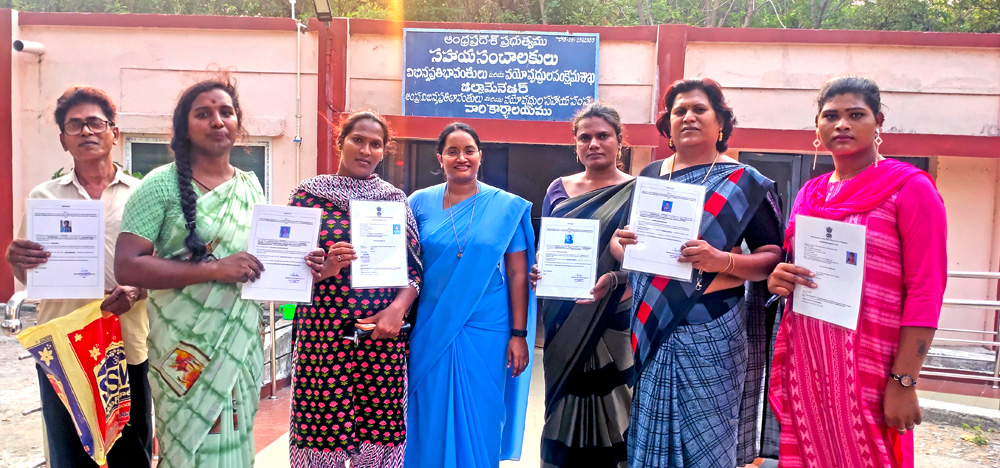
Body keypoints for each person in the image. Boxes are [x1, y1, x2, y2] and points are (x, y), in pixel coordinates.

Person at [114, 78, 324, 468]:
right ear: (185, 126)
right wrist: (213, 270)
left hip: (239, 341)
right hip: (184, 345)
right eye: (203, 114)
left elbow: (259, 263)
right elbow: (128, 264)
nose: (217, 121)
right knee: (189, 448)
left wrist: (310, 268)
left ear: (238, 123)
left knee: (235, 447)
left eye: (225, 112)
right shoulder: (158, 186)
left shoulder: (249, 185)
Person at [767, 76, 947, 468]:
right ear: (817, 127)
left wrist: (904, 382)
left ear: (878, 121)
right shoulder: (810, 194)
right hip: (810, 360)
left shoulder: (910, 188)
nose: (842, 124)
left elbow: (925, 290)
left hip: (873, 365)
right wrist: (779, 278)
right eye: (830, 116)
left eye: (855, 115)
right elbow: (796, 266)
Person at [611, 78, 784, 468]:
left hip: (714, 331)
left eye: (699, 109)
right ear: (668, 126)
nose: (688, 117)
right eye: (679, 111)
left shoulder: (745, 183)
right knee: (650, 431)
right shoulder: (652, 176)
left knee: (708, 439)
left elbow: (772, 256)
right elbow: (619, 242)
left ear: (720, 122)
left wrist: (723, 261)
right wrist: (622, 246)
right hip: (652, 324)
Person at [5, 86, 153, 468]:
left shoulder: (144, 196)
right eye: (75, 125)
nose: (86, 132)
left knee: (129, 453)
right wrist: (14, 258)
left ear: (114, 133)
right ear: (63, 140)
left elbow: (159, 267)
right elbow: (29, 275)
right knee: (70, 455)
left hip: (128, 344)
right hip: (65, 349)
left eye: (95, 123)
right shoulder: (44, 198)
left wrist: (138, 289)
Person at [286, 111, 422, 468]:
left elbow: (415, 272)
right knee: (320, 430)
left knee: (379, 430)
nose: (365, 150)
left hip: (380, 336)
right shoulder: (307, 197)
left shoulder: (394, 201)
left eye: (375, 144)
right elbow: (286, 272)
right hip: (323, 338)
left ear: (384, 151)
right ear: (340, 142)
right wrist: (327, 269)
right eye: (357, 140)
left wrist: (396, 311)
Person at [405, 123, 535, 468]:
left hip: (488, 326)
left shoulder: (506, 207)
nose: (461, 158)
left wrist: (519, 335)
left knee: (481, 410)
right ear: (440, 158)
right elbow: (400, 261)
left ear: (481, 156)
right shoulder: (418, 203)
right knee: (429, 407)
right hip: (431, 323)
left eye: (469, 150)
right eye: (452, 151)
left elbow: (518, 273)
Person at [530, 102, 634, 468]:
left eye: (603, 135)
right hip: (564, 315)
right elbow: (547, 247)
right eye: (584, 137)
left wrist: (617, 279)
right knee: (563, 402)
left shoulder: (637, 192)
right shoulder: (558, 189)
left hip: (613, 316)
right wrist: (538, 268)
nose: (594, 143)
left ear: (620, 141)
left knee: (615, 407)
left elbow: (646, 264)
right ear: (575, 144)